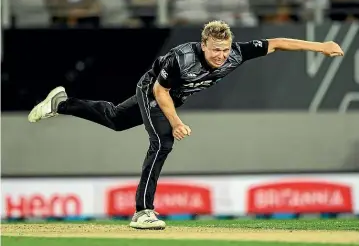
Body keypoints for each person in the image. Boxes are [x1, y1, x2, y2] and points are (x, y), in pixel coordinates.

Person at [28, 20, 344, 230]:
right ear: (202, 45)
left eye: (224, 49)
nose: (221, 56)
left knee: (114, 119)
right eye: (215, 50)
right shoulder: (181, 58)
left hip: (172, 98)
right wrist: (176, 122)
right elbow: (160, 91)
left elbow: (277, 42)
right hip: (153, 90)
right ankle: (142, 211)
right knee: (162, 142)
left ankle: (61, 103)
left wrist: (321, 46)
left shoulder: (235, 53)